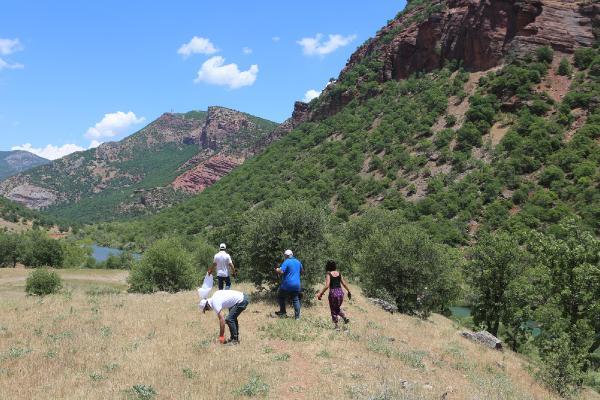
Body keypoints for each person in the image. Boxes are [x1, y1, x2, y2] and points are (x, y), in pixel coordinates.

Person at [317, 260, 351, 329]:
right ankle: (344, 317)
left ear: (328, 266)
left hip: (333, 293)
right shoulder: (339, 273)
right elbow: (344, 284)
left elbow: (327, 286)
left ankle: (337, 326)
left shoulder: (329, 274)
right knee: (337, 308)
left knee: (333, 309)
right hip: (340, 293)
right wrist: (349, 291)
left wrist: (320, 293)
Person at [274, 249, 303, 319]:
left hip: (287, 284)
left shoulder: (286, 262)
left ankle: (283, 312)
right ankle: (297, 317)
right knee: (295, 299)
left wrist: (277, 270)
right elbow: (302, 271)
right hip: (297, 285)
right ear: (292, 254)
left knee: (280, 296)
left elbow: (281, 272)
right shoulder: (298, 262)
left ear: (286, 256)